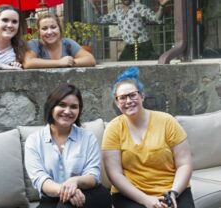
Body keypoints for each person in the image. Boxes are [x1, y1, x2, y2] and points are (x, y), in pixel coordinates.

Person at [102, 66, 195, 208]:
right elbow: (115, 174)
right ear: (116, 102)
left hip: (172, 190)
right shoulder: (113, 129)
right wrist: (145, 200)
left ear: (142, 96)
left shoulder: (167, 121)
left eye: (132, 95)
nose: (128, 101)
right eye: (122, 98)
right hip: (131, 194)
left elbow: (184, 164)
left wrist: (173, 192)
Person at [24, 83, 112, 208]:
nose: (67, 111)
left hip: (89, 194)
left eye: (73, 107)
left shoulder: (88, 138)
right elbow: (40, 179)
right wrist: (67, 190)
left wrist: (74, 181)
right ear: (51, 106)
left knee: (67, 205)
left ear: (79, 111)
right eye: (62, 105)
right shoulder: (34, 141)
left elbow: (93, 175)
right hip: (52, 198)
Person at [93, 0, 170, 61]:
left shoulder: (139, 7)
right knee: (122, 66)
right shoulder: (118, 11)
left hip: (143, 45)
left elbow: (156, 18)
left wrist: (162, 6)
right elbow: (101, 19)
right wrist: (94, 5)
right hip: (129, 46)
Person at [23, 13, 96, 69]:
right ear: (39, 31)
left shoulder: (68, 43)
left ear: (59, 28)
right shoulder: (34, 44)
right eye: (44, 28)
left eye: (53, 27)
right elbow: (28, 63)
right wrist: (59, 62)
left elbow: (90, 59)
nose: (49, 32)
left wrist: (69, 62)